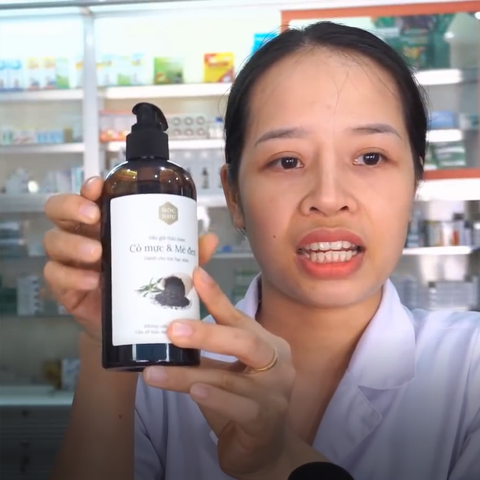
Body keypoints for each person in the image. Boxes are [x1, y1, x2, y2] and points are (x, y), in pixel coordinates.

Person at [43, 21, 479, 480]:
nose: (329, 198)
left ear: (415, 182)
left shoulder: (468, 368)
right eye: (287, 161)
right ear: (234, 196)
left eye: (370, 157)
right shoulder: (158, 372)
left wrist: (278, 460)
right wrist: (104, 340)